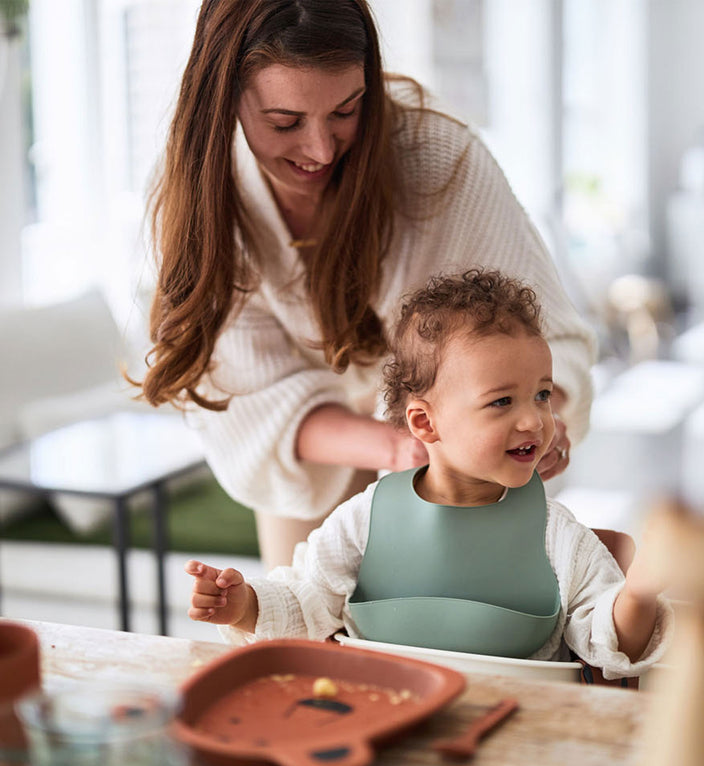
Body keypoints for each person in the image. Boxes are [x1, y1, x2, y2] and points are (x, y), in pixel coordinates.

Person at [140, 0, 597, 570]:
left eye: (346, 111)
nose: (321, 150)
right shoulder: (202, 191)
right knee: (298, 631)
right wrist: (393, 446)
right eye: (284, 123)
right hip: (321, 453)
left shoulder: (440, 160)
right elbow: (250, 396)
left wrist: (540, 419)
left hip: (456, 452)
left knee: (460, 642)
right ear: (223, 98)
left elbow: (542, 336)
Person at [185, 270, 672, 679]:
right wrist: (242, 604)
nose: (535, 420)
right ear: (424, 422)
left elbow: (610, 646)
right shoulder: (363, 521)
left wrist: (640, 591)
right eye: (502, 401)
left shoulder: (556, 534)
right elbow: (303, 603)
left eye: (541, 394)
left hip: (521, 734)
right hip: (384, 720)